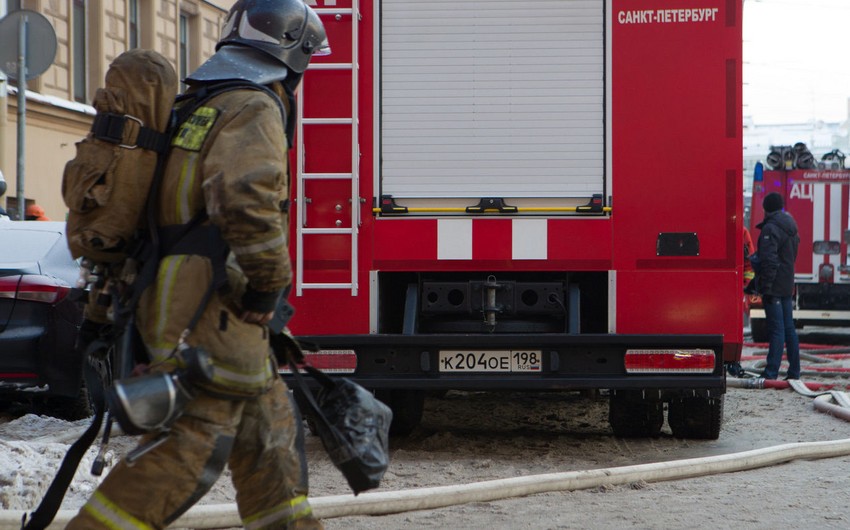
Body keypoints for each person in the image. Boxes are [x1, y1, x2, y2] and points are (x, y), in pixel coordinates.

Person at [67, 1, 328, 528]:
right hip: (213, 311)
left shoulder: (195, 103)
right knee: (189, 448)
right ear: (293, 56)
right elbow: (245, 197)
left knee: (271, 438)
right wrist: (267, 287)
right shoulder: (251, 105)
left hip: (184, 301)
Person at [753, 191, 801, 380]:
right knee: (789, 328)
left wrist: (766, 286)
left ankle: (771, 372)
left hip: (774, 286)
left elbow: (769, 261)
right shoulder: (791, 226)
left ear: (766, 208)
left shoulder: (770, 229)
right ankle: (794, 372)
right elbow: (791, 256)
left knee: (776, 329)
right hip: (787, 283)